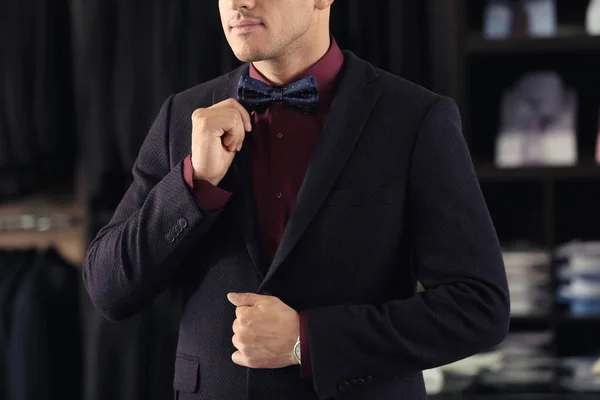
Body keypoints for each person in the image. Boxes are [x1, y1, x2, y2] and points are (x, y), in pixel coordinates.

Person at [82, 0, 511, 399]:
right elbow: (108, 289)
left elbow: (479, 307)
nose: (237, 3)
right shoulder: (183, 115)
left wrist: (308, 340)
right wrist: (195, 184)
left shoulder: (415, 118)